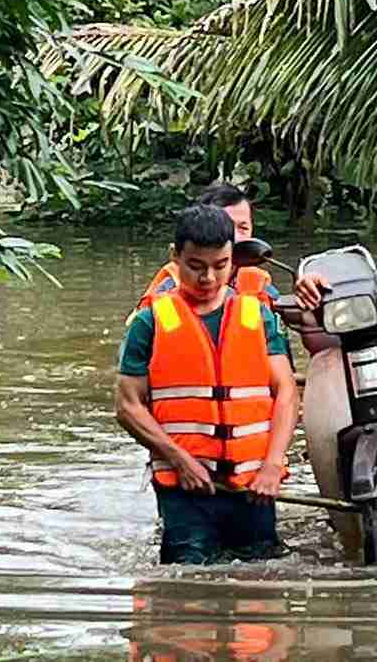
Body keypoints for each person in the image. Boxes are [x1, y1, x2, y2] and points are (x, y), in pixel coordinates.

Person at [115, 204, 298, 564]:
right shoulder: (150, 322)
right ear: (175, 258)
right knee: (188, 600)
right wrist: (179, 459)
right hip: (185, 492)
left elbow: (287, 393)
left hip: (253, 487)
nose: (209, 278)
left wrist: (273, 465)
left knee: (262, 594)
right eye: (196, 267)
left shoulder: (257, 315)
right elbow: (127, 406)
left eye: (221, 265)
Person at [134, 183, 279, 316]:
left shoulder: (257, 281)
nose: (235, 237)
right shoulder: (171, 284)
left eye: (243, 228)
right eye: (226, 225)